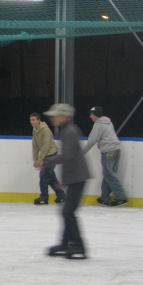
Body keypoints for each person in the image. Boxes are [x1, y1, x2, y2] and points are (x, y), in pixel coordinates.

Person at [39, 104, 90, 260]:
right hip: (75, 177)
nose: (52, 118)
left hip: (78, 178)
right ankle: (66, 243)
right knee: (66, 212)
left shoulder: (69, 131)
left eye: (55, 115)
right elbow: (70, 157)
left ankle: (78, 246)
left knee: (68, 212)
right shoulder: (67, 130)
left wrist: (48, 161)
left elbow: (68, 156)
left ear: (64, 116)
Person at [83, 106, 128, 206]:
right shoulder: (108, 122)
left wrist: (82, 153)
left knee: (110, 175)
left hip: (108, 152)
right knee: (108, 174)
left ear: (96, 115)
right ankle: (104, 197)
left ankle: (121, 197)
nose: (90, 116)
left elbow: (91, 140)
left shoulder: (98, 124)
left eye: (91, 114)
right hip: (116, 150)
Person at [30, 112, 65, 205]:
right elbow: (35, 146)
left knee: (43, 176)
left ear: (39, 120)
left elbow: (46, 146)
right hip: (46, 156)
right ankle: (61, 195)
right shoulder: (35, 129)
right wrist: (35, 159)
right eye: (31, 120)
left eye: (33, 120)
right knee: (51, 177)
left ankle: (44, 197)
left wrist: (39, 160)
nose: (32, 122)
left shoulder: (45, 130)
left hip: (51, 155)